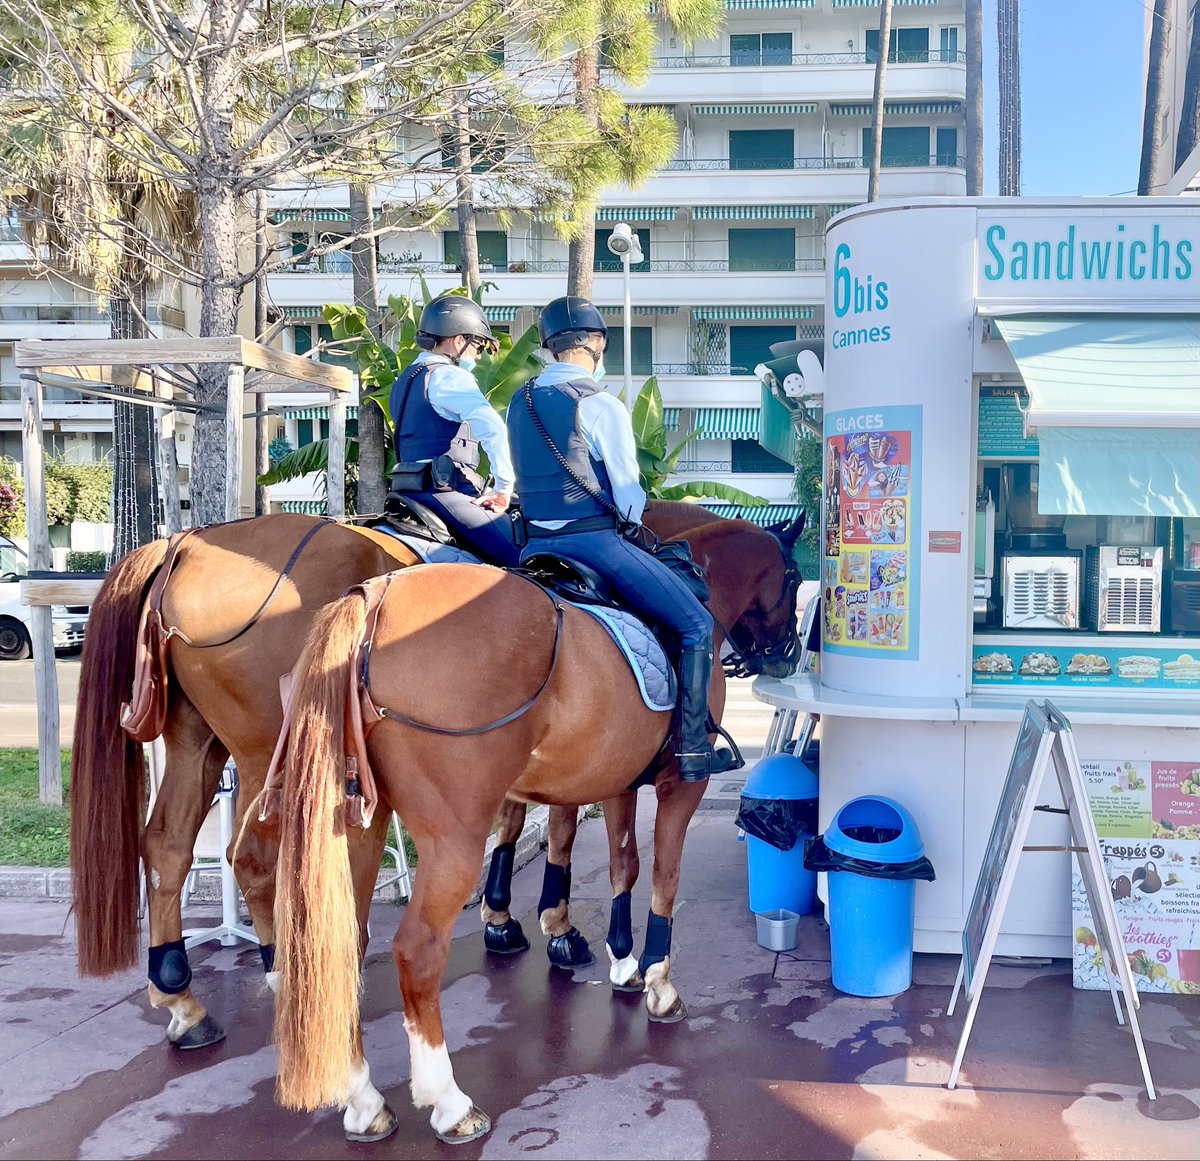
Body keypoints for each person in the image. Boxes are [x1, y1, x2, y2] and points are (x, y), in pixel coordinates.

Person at [506, 295, 738, 781]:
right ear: (594, 342)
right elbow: (630, 495)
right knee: (696, 623)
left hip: (532, 548)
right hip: (593, 545)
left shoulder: (518, 404)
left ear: (549, 345)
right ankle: (692, 748)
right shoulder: (599, 404)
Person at [388, 295, 519, 566]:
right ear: (459, 341)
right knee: (524, 556)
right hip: (444, 491)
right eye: (477, 346)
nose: (478, 356)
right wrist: (503, 487)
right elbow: (492, 428)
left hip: (407, 489)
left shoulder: (406, 378)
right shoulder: (449, 376)